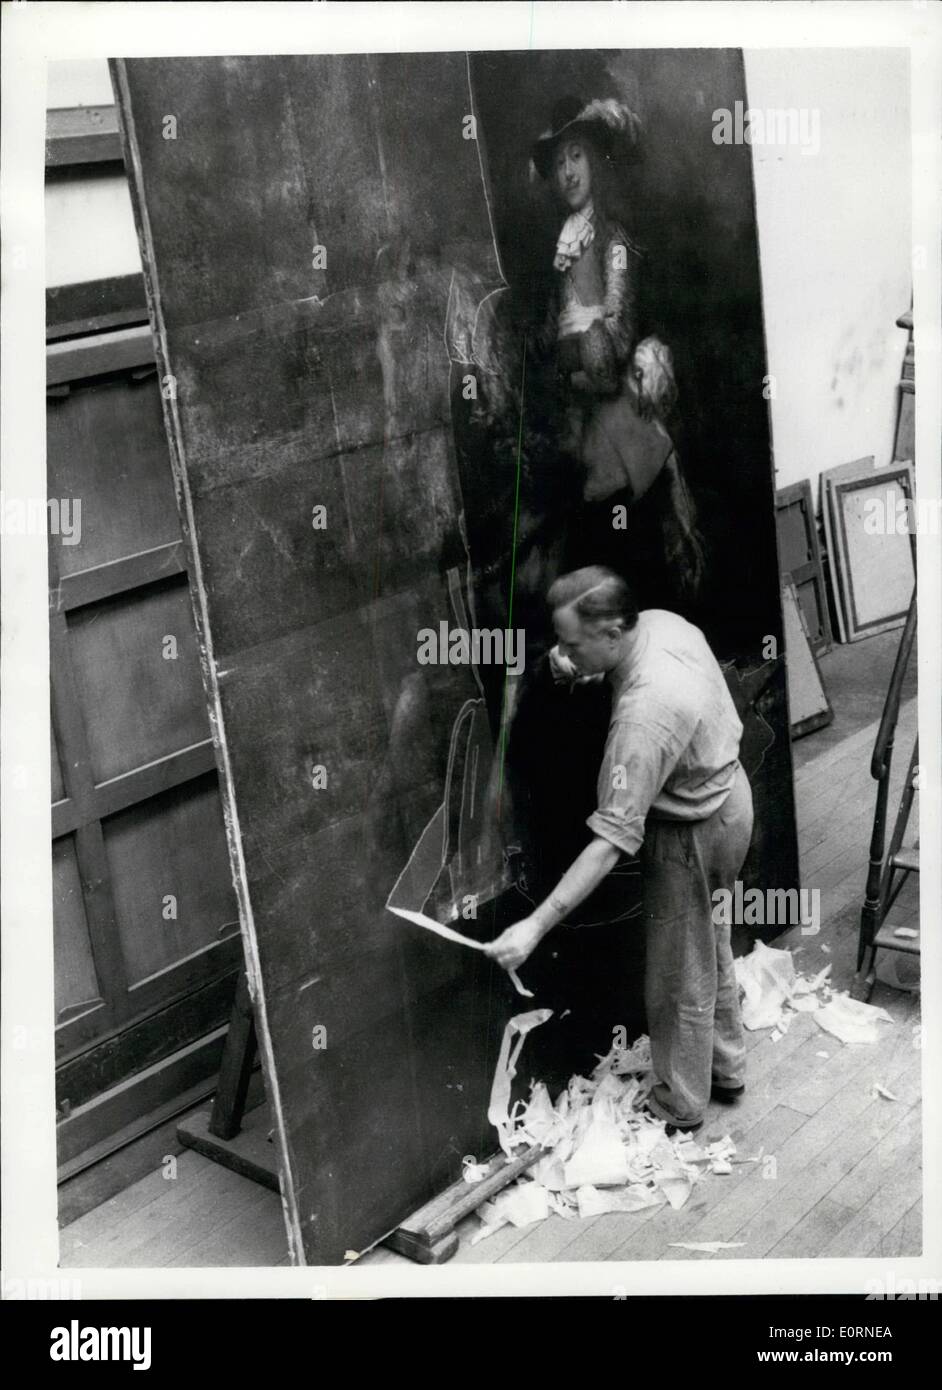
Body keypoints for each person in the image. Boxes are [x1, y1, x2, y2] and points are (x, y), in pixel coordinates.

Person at [483, 566, 754, 1134]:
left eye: (571, 644)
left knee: (678, 974)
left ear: (611, 633)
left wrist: (534, 926)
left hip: (690, 835)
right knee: (711, 944)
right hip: (729, 800)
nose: (563, 653)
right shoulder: (662, 625)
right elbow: (629, 675)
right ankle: (725, 1068)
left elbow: (608, 844)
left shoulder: (643, 717)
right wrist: (579, 666)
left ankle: (681, 1103)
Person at [529, 95, 705, 609]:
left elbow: (613, 349)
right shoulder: (559, 249)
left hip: (625, 438)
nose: (567, 172)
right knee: (588, 579)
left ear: (595, 161)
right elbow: (545, 353)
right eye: (559, 161)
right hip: (580, 438)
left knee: (639, 578)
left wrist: (577, 351)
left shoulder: (614, 242)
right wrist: (566, 354)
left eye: (576, 156)